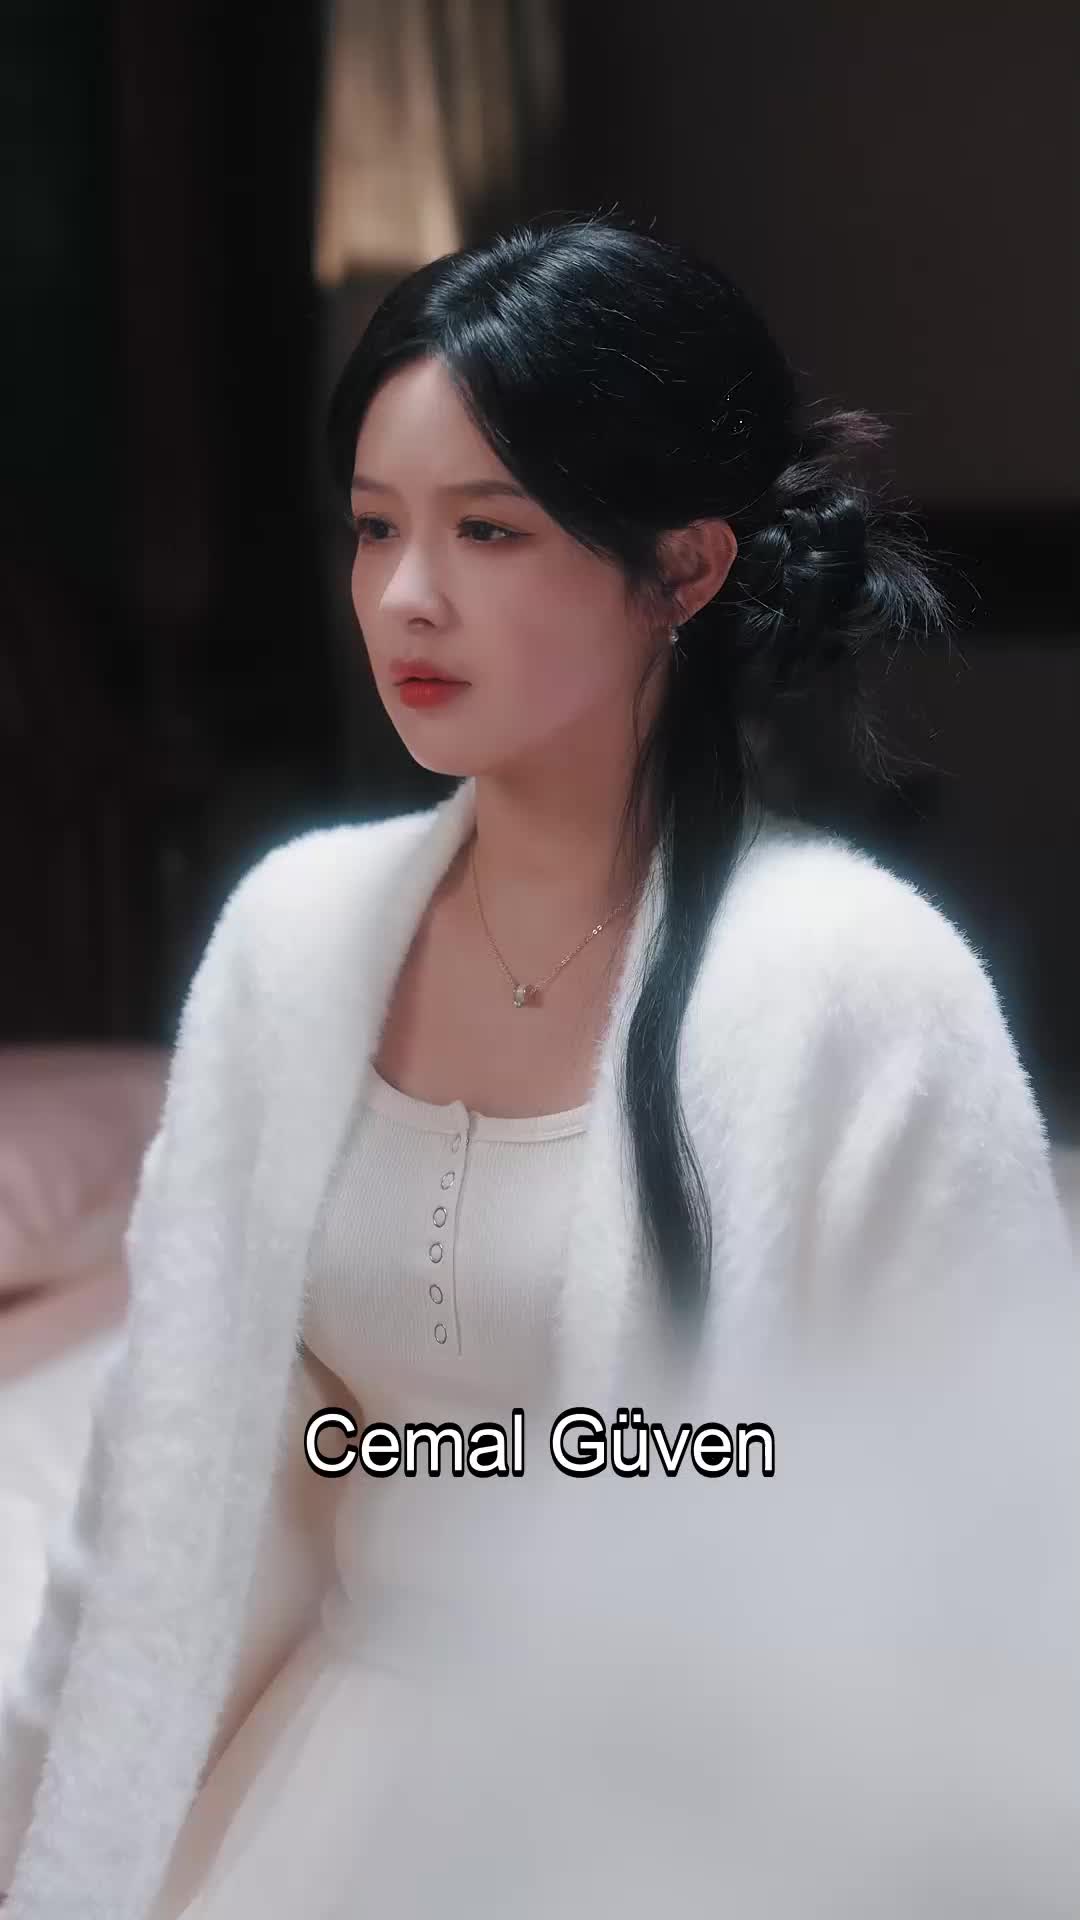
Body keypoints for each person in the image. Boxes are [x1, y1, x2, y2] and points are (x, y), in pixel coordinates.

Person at [1, 208, 1075, 1920]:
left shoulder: (857, 985)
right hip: (317, 1789)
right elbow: (158, 1489)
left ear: (687, 569)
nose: (405, 596)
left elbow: (997, 1563)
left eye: (487, 530)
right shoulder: (292, 942)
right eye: (375, 527)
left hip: (696, 1826)